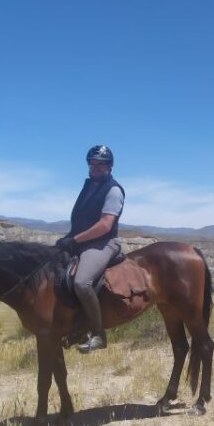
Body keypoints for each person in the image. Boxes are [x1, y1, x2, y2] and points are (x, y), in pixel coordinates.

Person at [56, 145, 125, 353]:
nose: (95, 167)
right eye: (92, 163)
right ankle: (75, 326)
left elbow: (105, 224)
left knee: (82, 282)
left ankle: (98, 334)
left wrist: (75, 240)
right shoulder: (89, 186)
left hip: (102, 243)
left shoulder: (113, 190)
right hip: (80, 241)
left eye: (100, 164)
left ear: (109, 166)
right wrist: (68, 238)